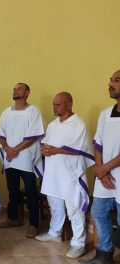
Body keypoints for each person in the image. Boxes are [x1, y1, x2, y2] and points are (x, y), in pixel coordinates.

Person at [34, 92, 94, 259]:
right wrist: (45, 149)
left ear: (69, 105)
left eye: (57, 105)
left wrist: (55, 150)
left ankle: (78, 243)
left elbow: (80, 148)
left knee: (74, 208)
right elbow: (47, 142)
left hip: (71, 174)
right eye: (53, 104)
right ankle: (54, 233)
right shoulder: (53, 124)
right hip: (54, 172)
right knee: (55, 205)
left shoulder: (78, 124)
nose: (54, 107)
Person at [80, 70, 120, 264]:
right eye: (110, 80)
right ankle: (104, 254)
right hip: (105, 175)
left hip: (113, 172)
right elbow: (98, 144)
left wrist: (104, 168)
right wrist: (100, 168)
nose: (111, 84)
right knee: (98, 212)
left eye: (117, 80)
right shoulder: (105, 114)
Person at [0, 83, 44, 238]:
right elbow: (0, 134)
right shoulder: (6, 112)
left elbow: (33, 135)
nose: (15, 90)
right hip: (11, 158)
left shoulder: (33, 111)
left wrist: (14, 150)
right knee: (13, 190)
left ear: (27, 92)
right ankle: (13, 218)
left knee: (31, 192)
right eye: (14, 88)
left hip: (26, 158)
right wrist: (8, 149)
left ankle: (34, 224)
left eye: (19, 88)